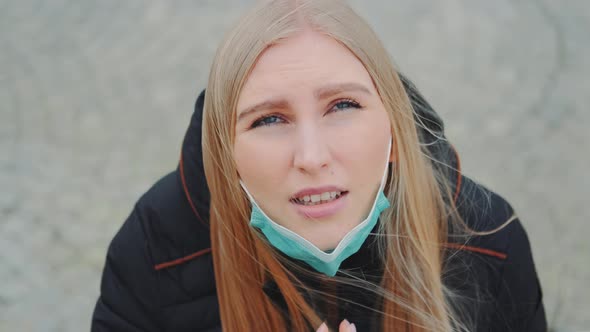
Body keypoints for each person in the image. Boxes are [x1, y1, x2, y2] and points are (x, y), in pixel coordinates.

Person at [91, 0, 546, 331]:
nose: (311, 158)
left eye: (343, 106)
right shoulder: (157, 245)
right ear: (226, 156)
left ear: (394, 135)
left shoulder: (487, 240)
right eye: (269, 119)